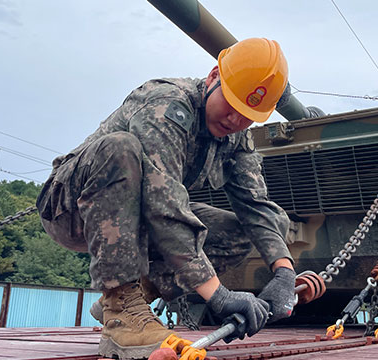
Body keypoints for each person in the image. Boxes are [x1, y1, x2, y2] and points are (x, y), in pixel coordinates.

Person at [36, 38, 297, 359]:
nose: (235, 120)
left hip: (138, 218)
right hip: (69, 209)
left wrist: (284, 271)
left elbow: (256, 206)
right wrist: (218, 294)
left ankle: (129, 298)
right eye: (231, 104)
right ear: (215, 76)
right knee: (120, 148)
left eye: (247, 115)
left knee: (235, 233)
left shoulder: (236, 136)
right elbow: (165, 206)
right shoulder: (166, 105)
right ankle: (122, 310)